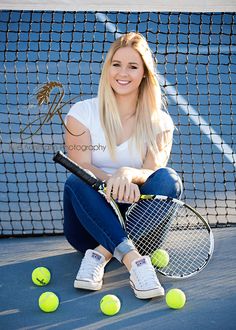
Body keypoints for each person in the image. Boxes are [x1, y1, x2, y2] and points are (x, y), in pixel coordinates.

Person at [63, 32, 182, 300]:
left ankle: (102, 254)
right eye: (116, 64)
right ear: (108, 69)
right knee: (75, 181)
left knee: (169, 179)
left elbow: (153, 171)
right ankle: (135, 263)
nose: (123, 73)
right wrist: (110, 183)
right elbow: (80, 165)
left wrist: (127, 174)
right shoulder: (81, 114)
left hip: (142, 227)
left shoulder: (160, 123)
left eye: (132, 66)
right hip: (89, 227)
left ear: (144, 74)